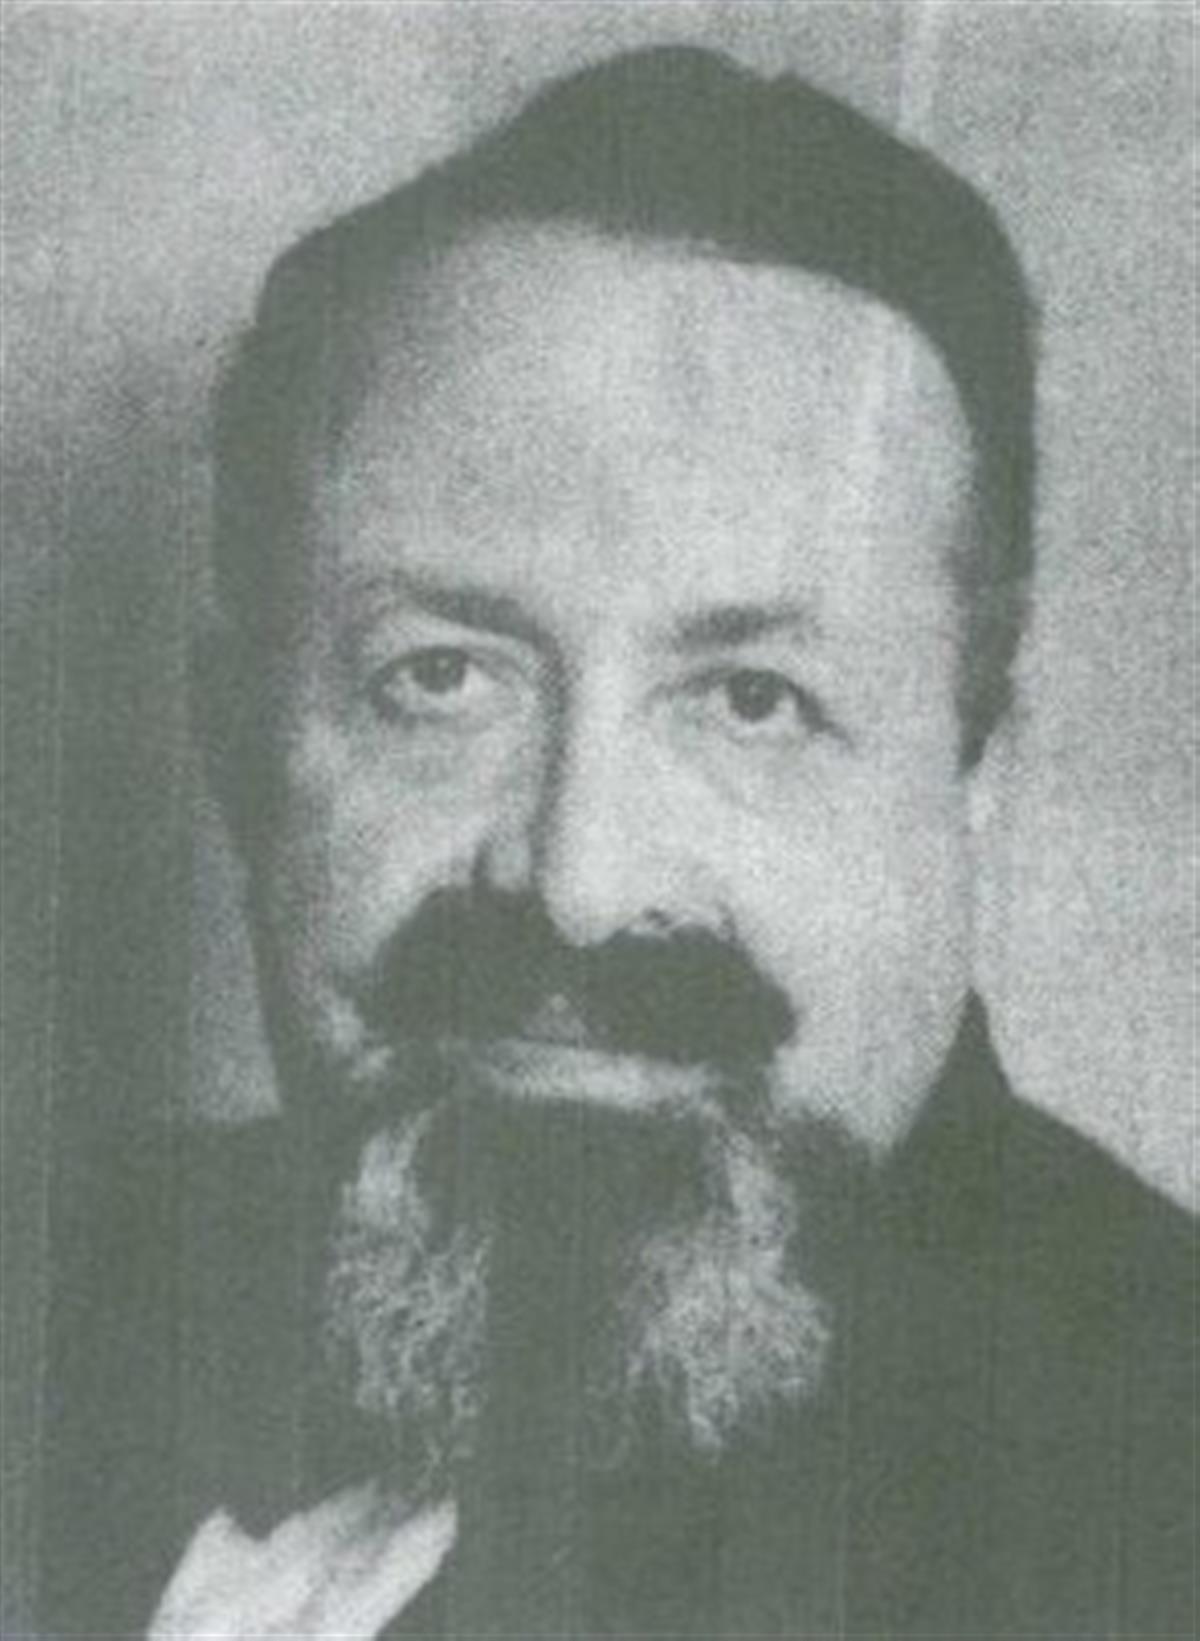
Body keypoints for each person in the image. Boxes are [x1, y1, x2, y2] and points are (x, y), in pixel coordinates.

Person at [51, 46, 1193, 1638]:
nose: (582, 881)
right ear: (240, 751)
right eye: (440, 677)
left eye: (752, 700)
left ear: (972, 771)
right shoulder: (63, 1320)